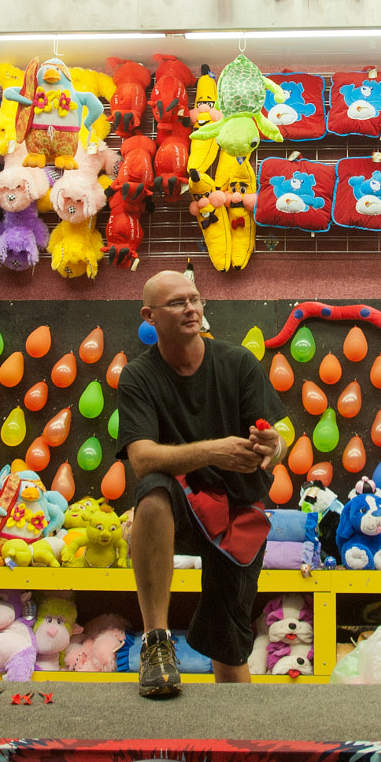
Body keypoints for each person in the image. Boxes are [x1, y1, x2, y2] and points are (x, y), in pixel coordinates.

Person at [115, 270, 283, 697]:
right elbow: (141, 459)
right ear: (149, 316)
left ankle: (236, 740)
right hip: (180, 508)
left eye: (195, 299)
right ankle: (157, 642)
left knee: (229, 650)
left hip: (237, 515)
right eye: (176, 302)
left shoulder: (238, 362)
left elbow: (271, 446)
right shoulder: (137, 376)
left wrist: (272, 446)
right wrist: (214, 451)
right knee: (152, 491)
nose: (191, 308)